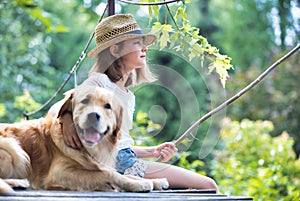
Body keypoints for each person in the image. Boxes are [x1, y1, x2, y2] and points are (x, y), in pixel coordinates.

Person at [60, 14, 218, 192]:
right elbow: (69, 101)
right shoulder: (100, 83)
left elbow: (119, 143)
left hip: (123, 158)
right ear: (115, 51)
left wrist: (153, 151)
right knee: (208, 185)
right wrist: (65, 120)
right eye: (136, 43)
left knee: (198, 187)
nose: (144, 48)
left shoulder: (128, 95)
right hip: (118, 163)